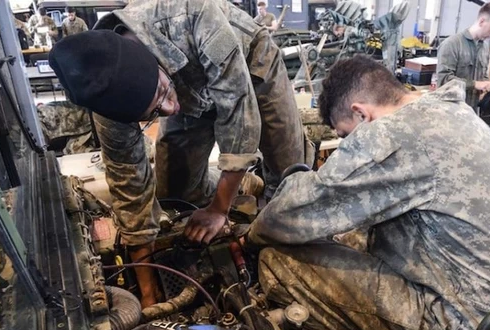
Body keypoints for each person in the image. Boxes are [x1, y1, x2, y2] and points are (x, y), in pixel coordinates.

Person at [246, 56, 490, 330]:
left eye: (345, 136)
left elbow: (287, 215)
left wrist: (250, 237)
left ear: (361, 113)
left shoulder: (393, 136)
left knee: (278, 263)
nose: (346, 145)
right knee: (349, 237)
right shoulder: (447, 112)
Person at [49, 0, 308, 306]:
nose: (170, 109)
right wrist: (148, 295)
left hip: (251, 64)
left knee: (290, 183)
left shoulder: (195, 14)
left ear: (151, 59)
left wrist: (219, 209)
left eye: (161, 93)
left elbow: (239, 115)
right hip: (188, 90)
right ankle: (241, 186)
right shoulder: (108, 107)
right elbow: (130, 188)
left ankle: (242, 192)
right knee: (175, 192)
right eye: (154, 113)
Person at [435, 1, 490, 106]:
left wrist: (488, 86)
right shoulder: (452, 44)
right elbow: (444, 80)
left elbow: (483, 76)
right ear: (482, 21)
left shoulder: (484, 48)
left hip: (472, 110)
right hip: (451, 110)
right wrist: (475, 84)